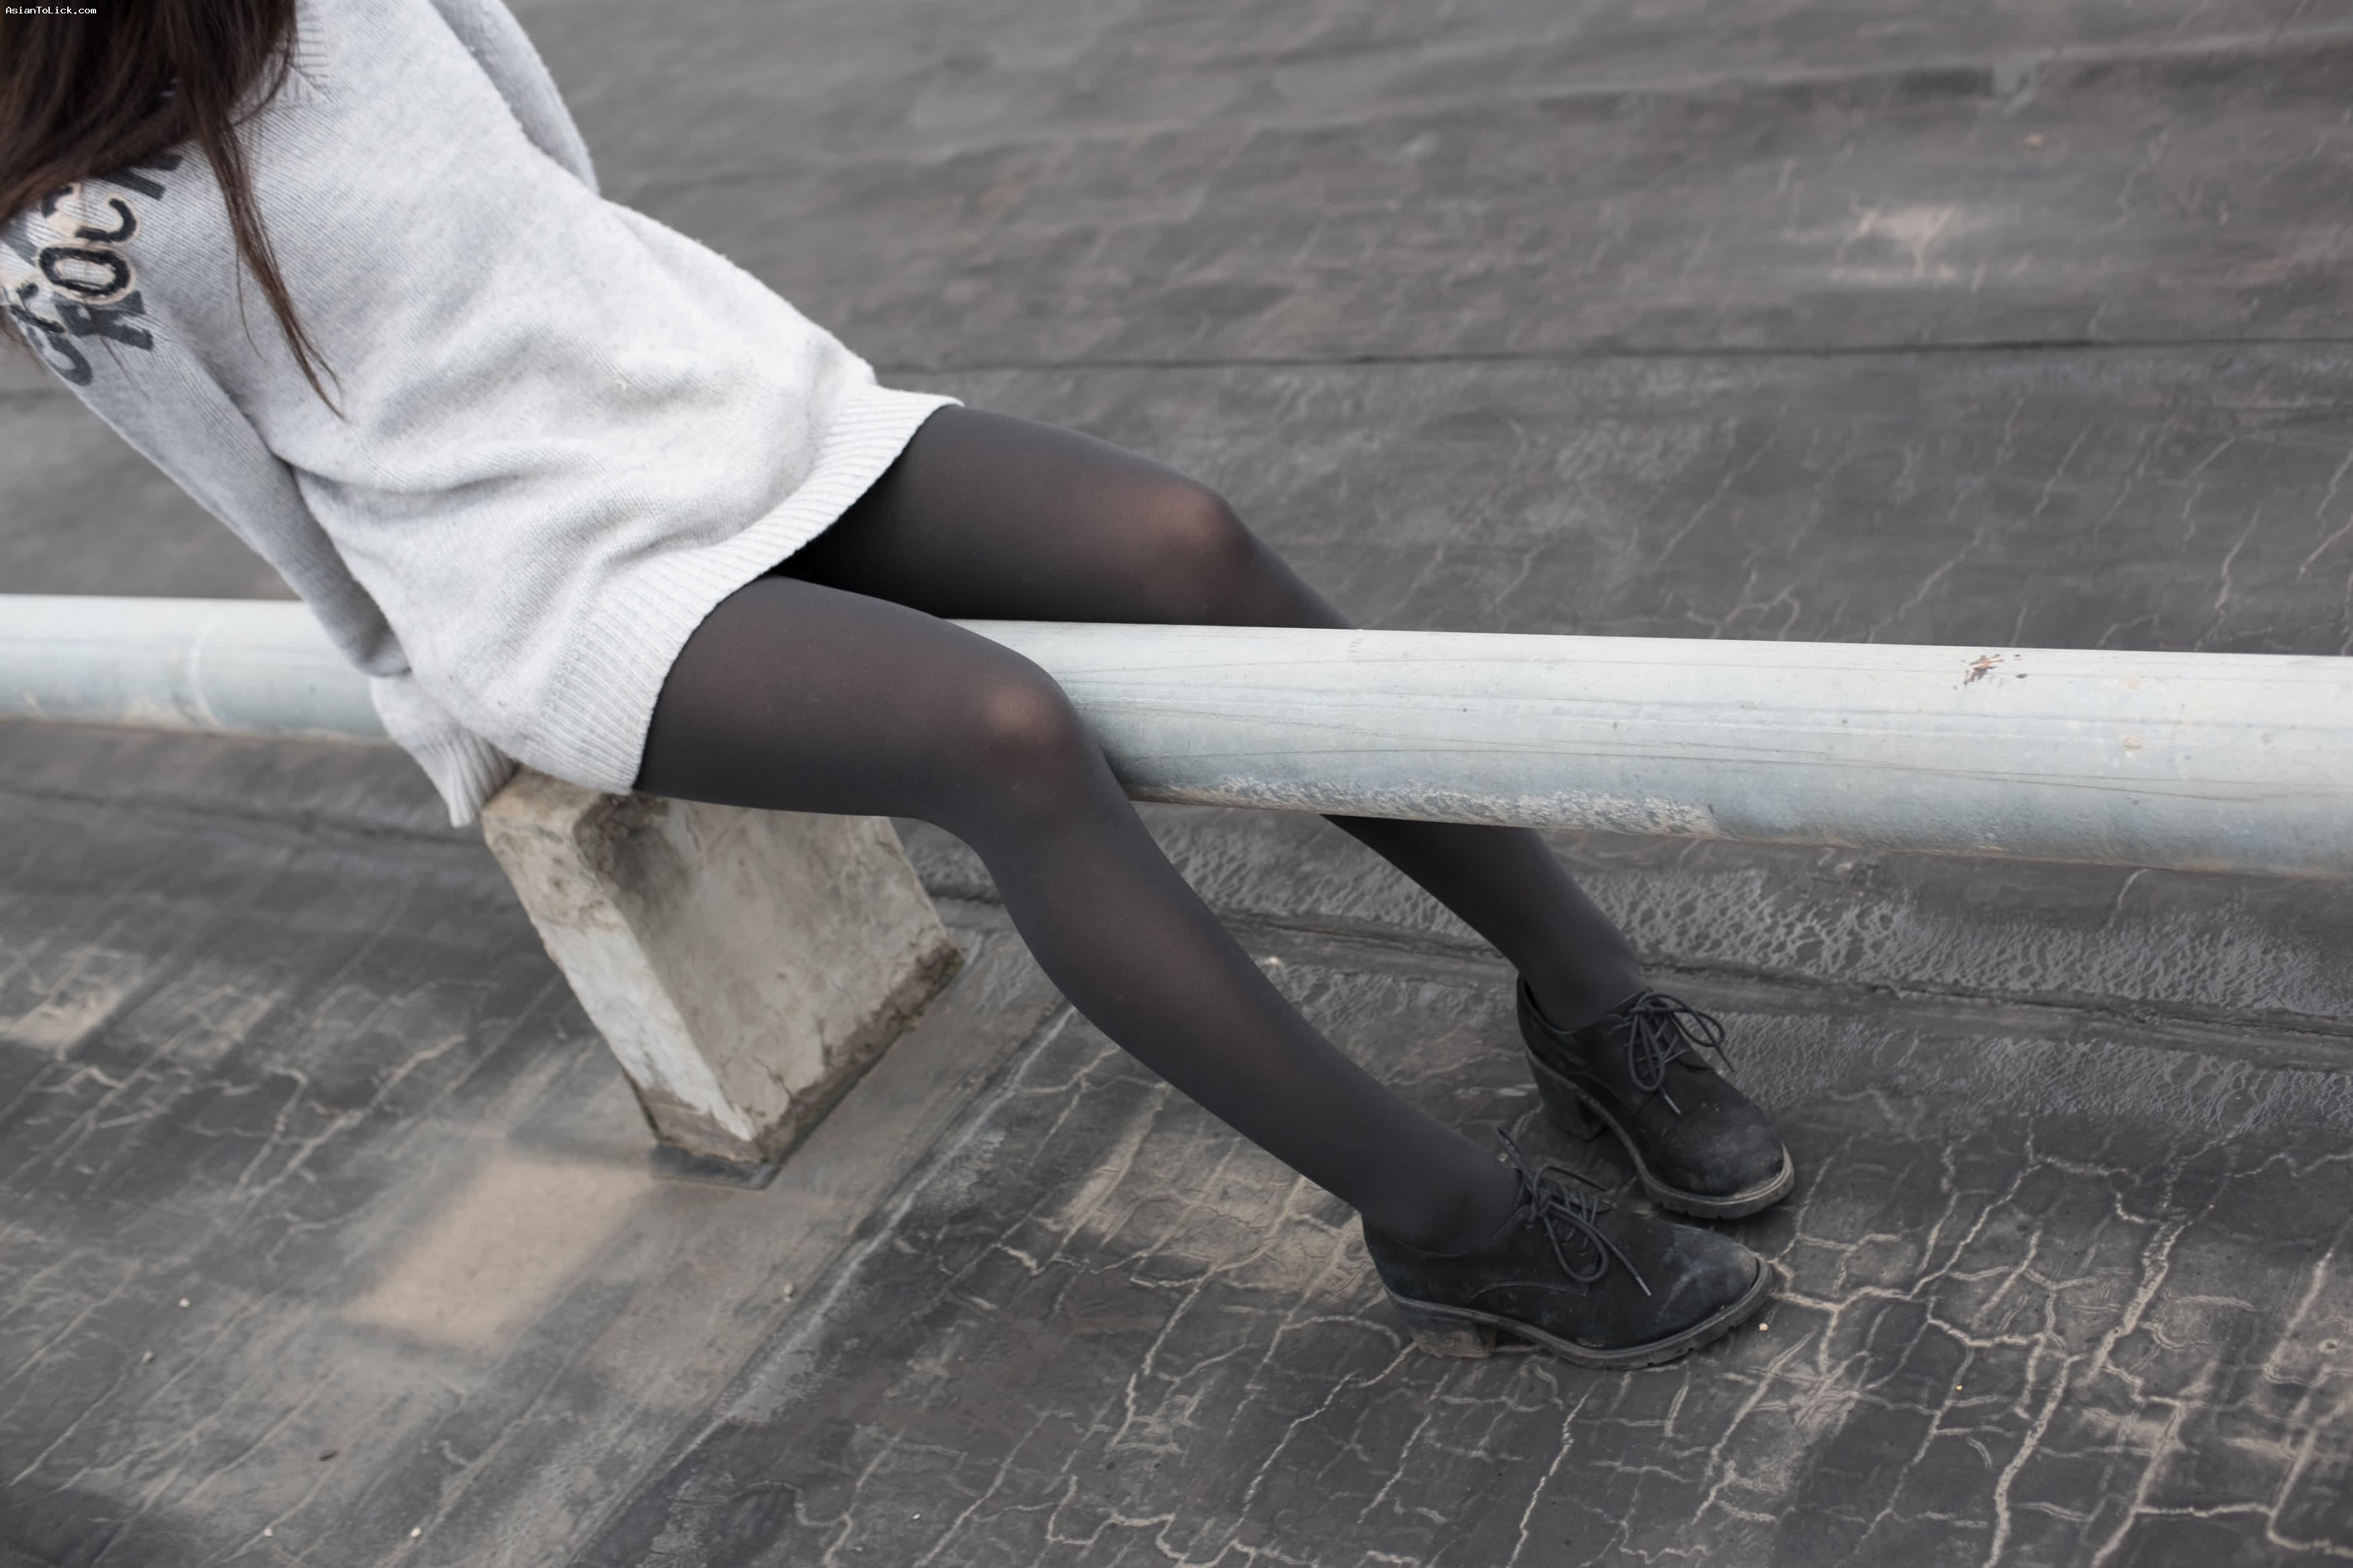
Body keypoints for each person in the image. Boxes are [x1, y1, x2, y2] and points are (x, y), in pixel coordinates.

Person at [1, 0, 1791, 1368]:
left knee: (1184, 542)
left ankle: (1589, 998)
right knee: (997, 733)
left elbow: (556, 183)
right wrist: (412, 680)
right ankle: (1448, 1223)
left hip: (717, 406)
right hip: (545, 577)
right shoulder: (54, 231)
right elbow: (251, 489)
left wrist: (667, 367)